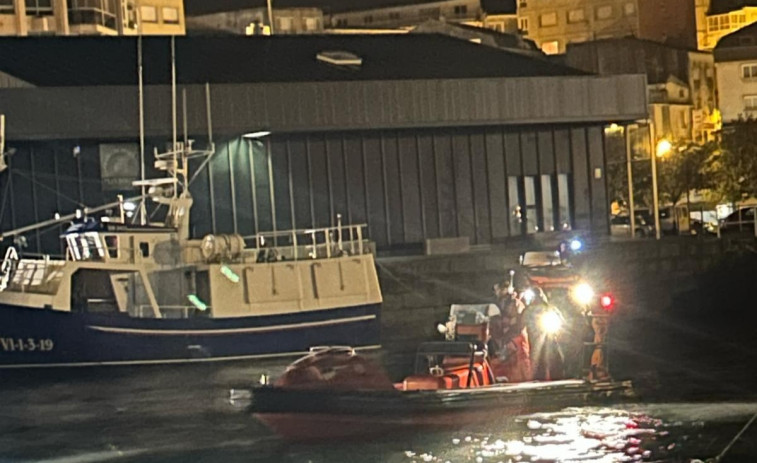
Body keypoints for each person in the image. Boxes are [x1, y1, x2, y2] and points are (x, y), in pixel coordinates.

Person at [490, 280, 532, 382]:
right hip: (507, 341)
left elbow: (518, 324)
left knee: (521, 367)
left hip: (517, 341)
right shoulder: (499, 304)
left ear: (505, 289)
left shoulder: (516, 303)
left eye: (498, 289)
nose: (497, 292)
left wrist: (509, 340)